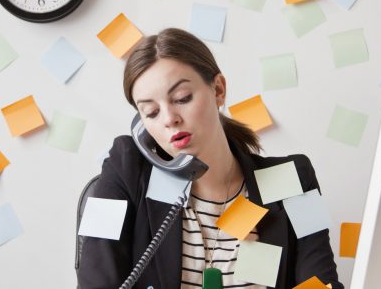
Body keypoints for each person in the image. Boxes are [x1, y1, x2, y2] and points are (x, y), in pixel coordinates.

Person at [77, 28, 343, 289]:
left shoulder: (293, 177)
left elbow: (321, 283)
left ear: (218, 89)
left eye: (182, 98)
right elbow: (94, 282)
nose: (170, 119)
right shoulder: (124, 167)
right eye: (152, 112)